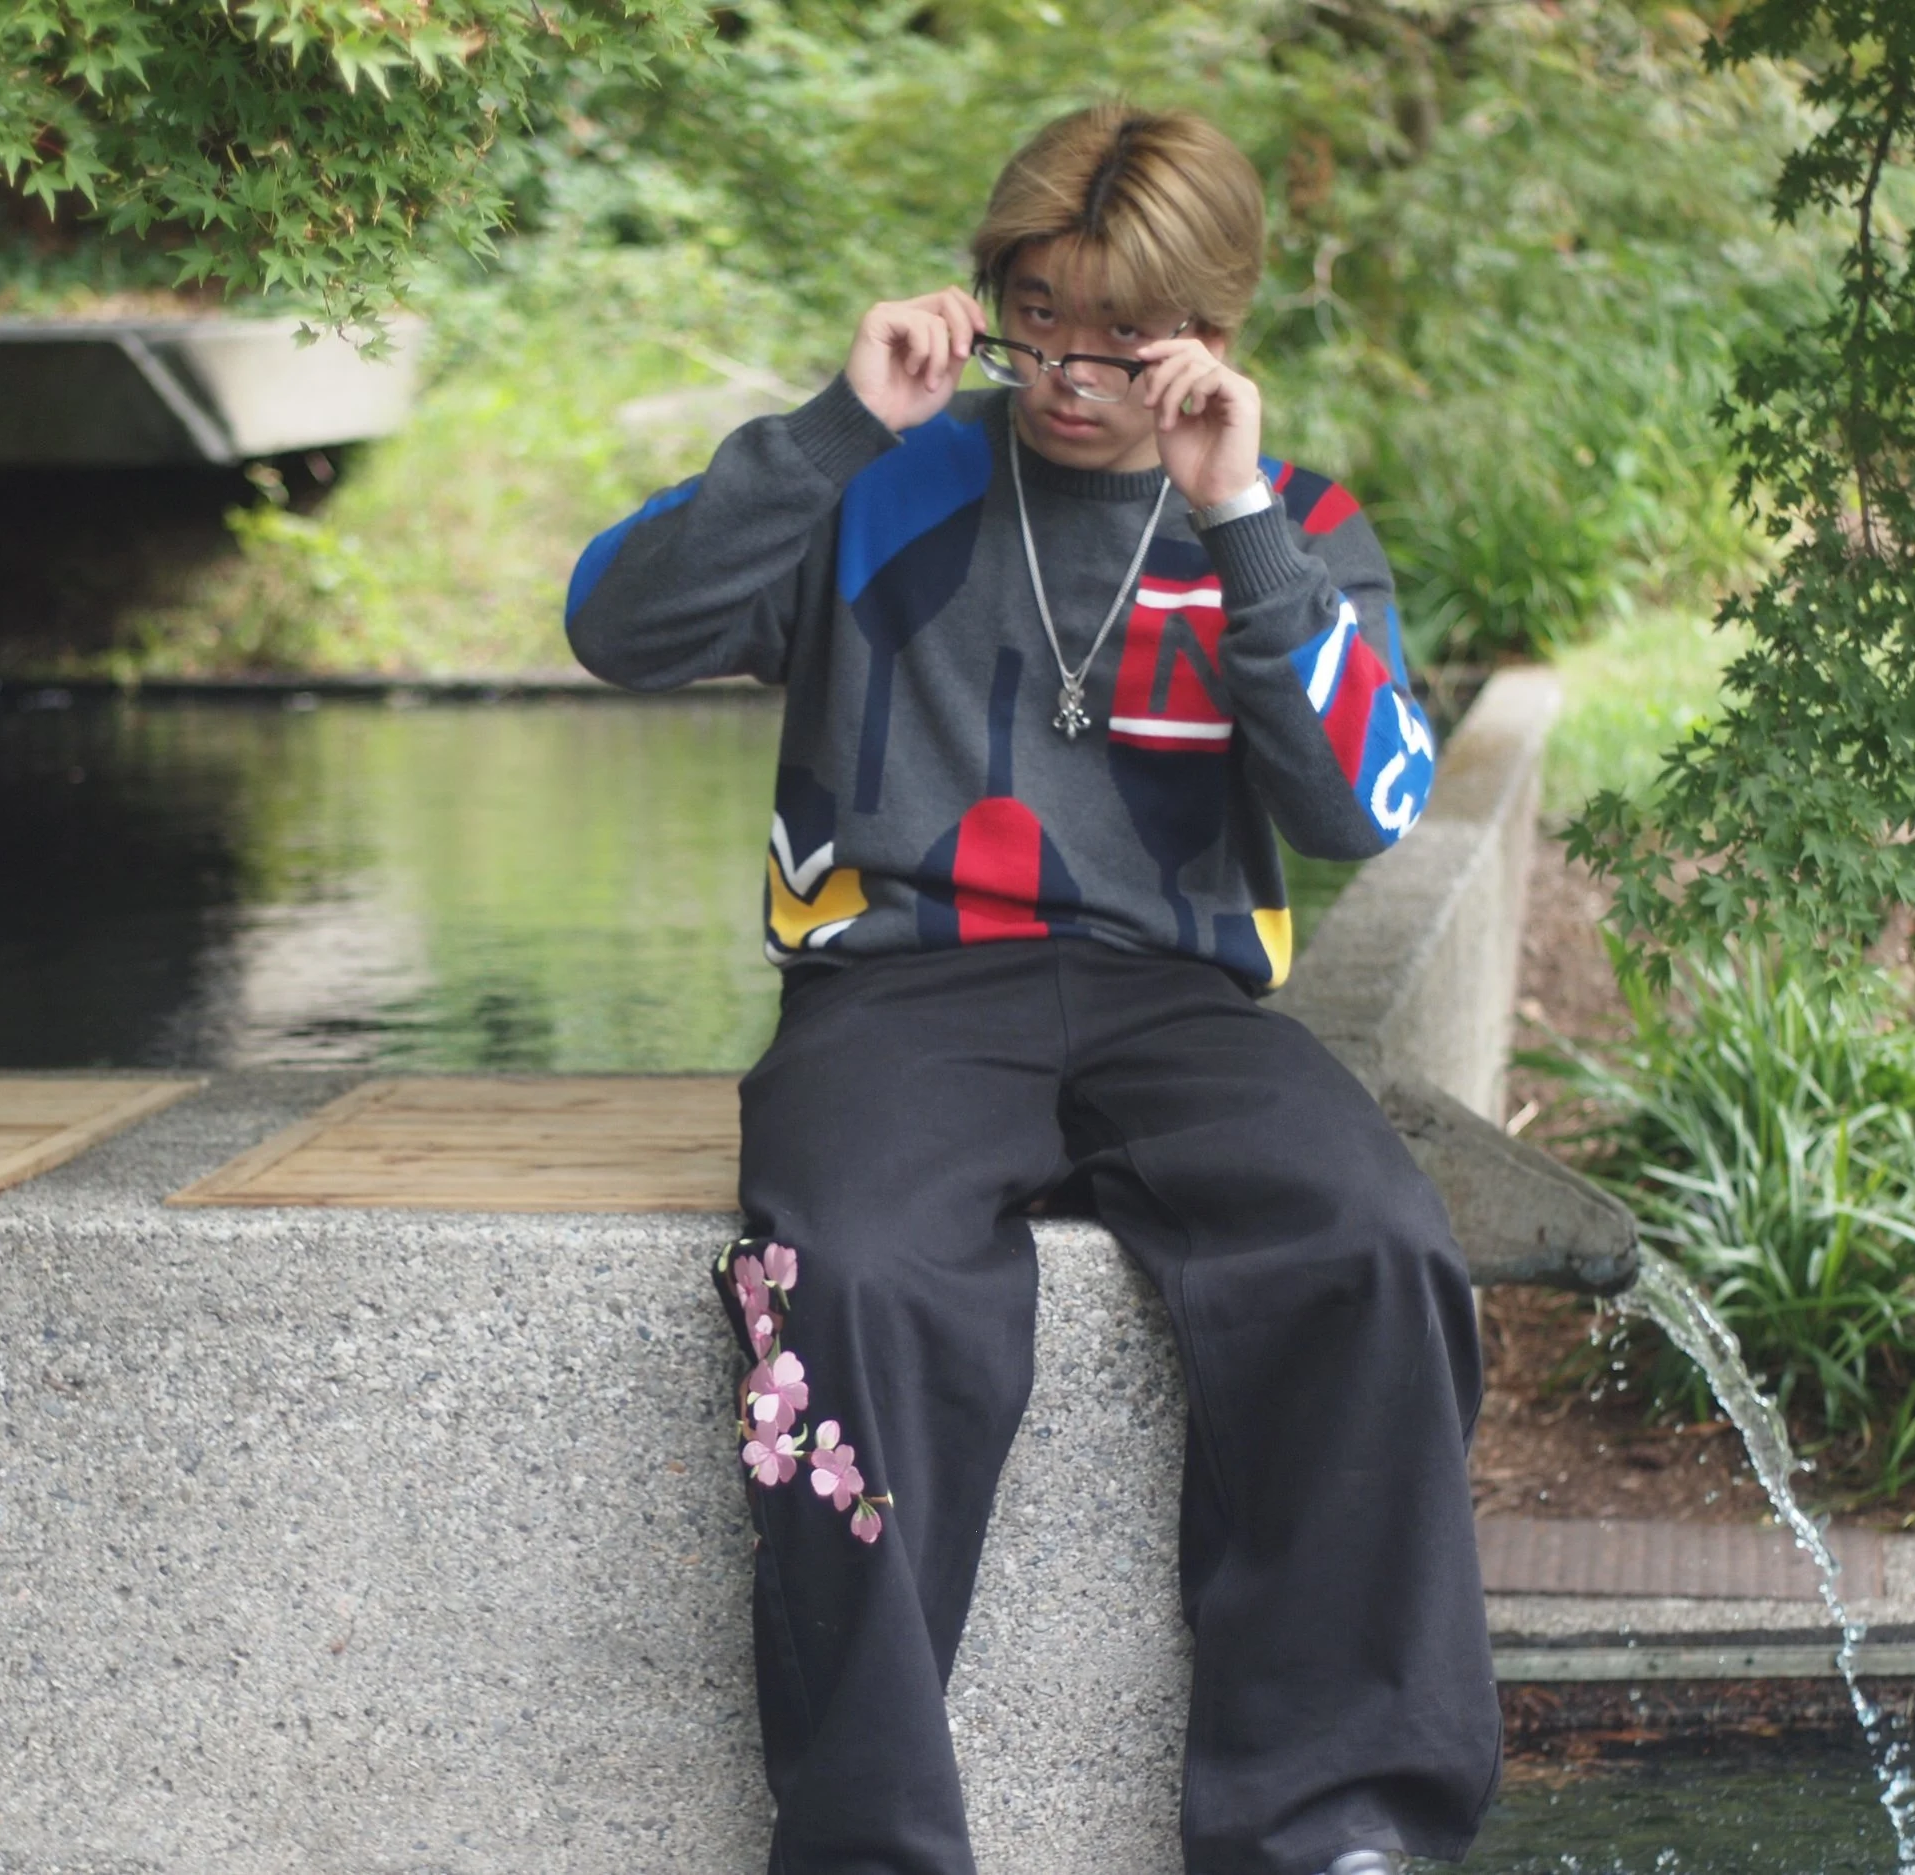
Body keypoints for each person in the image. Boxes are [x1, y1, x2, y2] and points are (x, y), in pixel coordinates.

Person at [566, 103, 1498, 1875]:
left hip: (1180, 1005)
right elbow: (616, 620)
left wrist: (1236, 519)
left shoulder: (1288, 521)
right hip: (900, 995)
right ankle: (872, 1844)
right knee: (847, 1266)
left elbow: (1364, 810)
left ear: (1211, 330)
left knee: (1372, 1240)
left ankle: (1339, 1832)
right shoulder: (881, 479)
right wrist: (846, 421)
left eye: (1117, 339)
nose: (1067, 373)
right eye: (1034, 316)